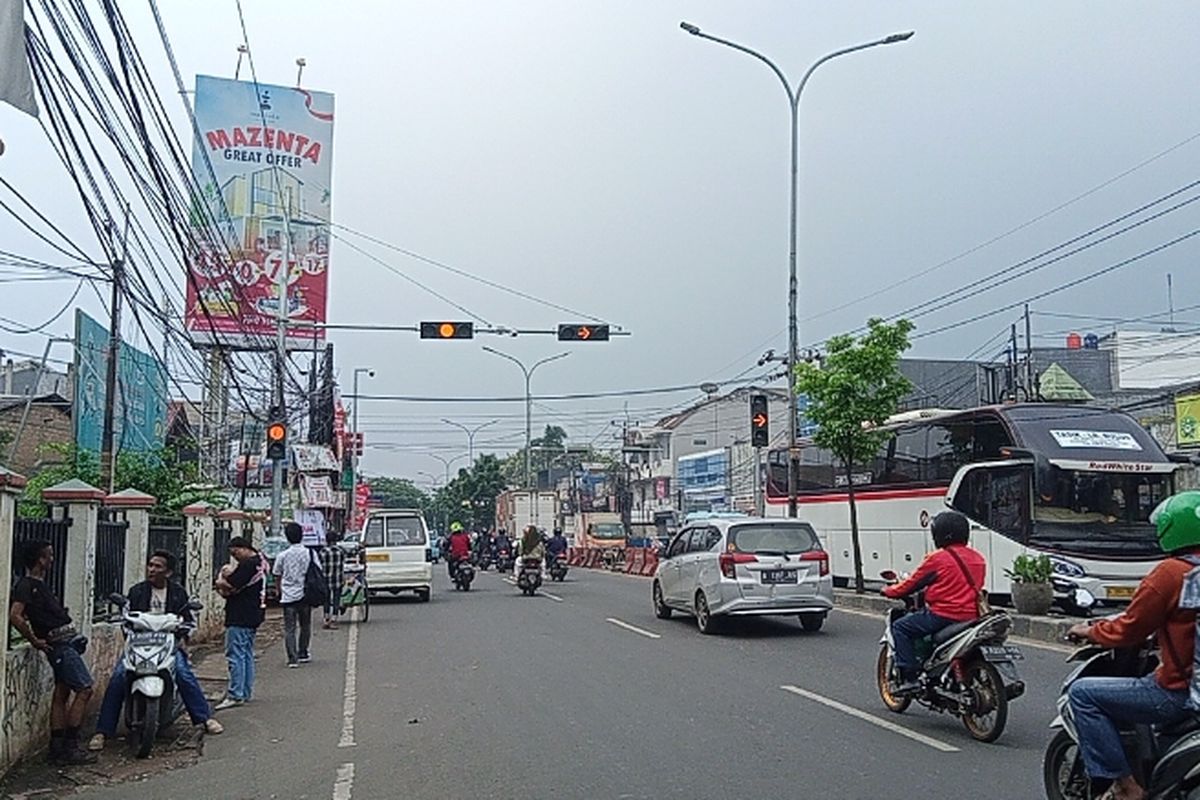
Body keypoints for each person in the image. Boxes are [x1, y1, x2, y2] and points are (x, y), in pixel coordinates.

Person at [1064, 492, 1200, 800]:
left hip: (1181, 694)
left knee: (1083, 694)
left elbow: (1131, 629)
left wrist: (1090, 631)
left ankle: (1125, 786)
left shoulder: (1172, 573)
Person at [89, 551, 223, 750]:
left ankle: (203, 718)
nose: (152, 570)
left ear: (168, 572)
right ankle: (102, 731)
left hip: (168, 646)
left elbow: (188, 621)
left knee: (184, 675)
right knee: (118, 678)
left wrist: (183, 633)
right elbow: (126, 620)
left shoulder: (178, 593)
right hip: (138, 646)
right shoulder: (137, 592)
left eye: (157, 566)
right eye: (150, 565)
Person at [8, 540, 96, 764]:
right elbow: (15, 615)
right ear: (40, 559)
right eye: (49, 555)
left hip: (63, 642)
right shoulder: (27, 585)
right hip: (59, 645)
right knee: (85, 689)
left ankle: (56, 748)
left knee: (61, 693)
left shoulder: (39, 584)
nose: (52, 559)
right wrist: (34, 640)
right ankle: (70, 746)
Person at [880, 511, 985, 695]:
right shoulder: (978, 558)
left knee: (900, 627)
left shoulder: (937, 559)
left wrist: (888, 591)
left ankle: (910, 678)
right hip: (972, 616)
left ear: (940, 534)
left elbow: (909, 585)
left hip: (943, 616)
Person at [214, 536, 267, 710]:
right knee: (246, 653)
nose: (235, 557)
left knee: (235, 654)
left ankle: (236, 693)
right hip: (254, 612)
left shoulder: (248, 565)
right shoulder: (260, 561)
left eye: (235, 552)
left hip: (240, 614)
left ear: (244, 548)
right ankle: (245, 691)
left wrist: (220, 581)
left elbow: (231, 586)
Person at [274, 522, 316, 668]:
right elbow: (317, 570)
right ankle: (303, 652)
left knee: (289, 628)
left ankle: (292, 658)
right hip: (305, 594)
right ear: (302, 536)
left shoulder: (282, 555)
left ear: (287, 537)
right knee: (305, 625)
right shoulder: (309, 553)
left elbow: (277, 574)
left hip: (288, 595)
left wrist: (278, 590)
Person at [320, 531, 347, 630]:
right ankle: (334, 619)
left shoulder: (323, 552)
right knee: (336, 599)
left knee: (326, 600)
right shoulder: (341, 551)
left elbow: (320, 566)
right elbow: (343, 563)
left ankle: (326, 618)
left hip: (325, 579)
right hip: (337, 579)